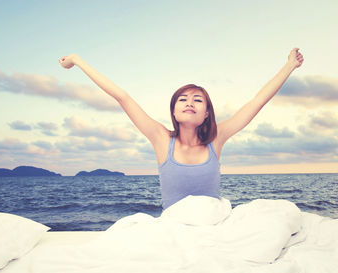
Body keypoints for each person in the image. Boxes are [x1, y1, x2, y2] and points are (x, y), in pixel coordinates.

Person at [59, 48, 304, 209]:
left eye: (198, 100)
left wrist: (289, 66)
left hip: (213, 227)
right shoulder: (161, 138)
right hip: (173, 230)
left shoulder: (216, 139)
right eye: (182, 99)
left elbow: (257, 101)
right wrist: (78, 61)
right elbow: (122, 96)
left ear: (207, 113)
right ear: (174, 111)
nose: (189, 102)